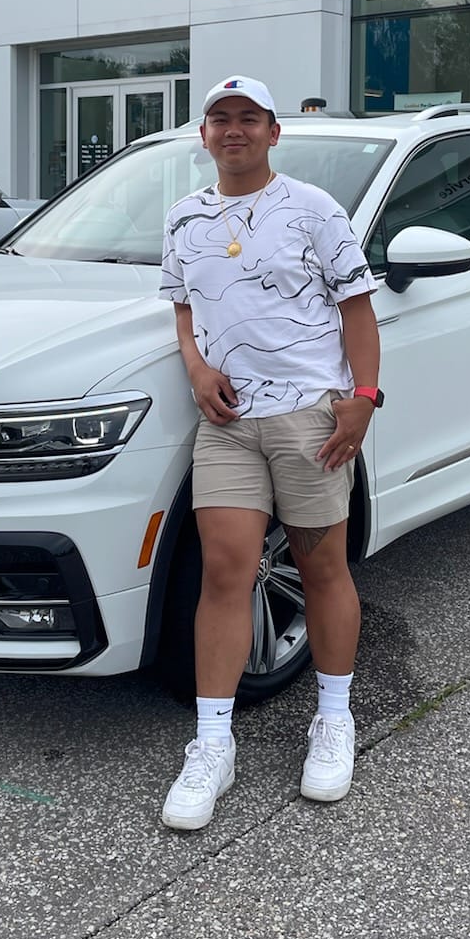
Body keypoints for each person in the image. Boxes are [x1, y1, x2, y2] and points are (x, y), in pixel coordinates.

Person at [158, 74, 382, 831]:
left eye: (248, 118)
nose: (234, 130)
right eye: (219, 118)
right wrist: (196, 367)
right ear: (203, 135)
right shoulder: (184, 219)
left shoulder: (314, 210)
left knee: (322, 567)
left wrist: (363, 397)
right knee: (225, 573)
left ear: (273, 131)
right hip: (227, 424)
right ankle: (212, 744)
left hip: (308, 419)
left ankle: (334, 719)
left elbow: (357, 309)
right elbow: (184, 308)